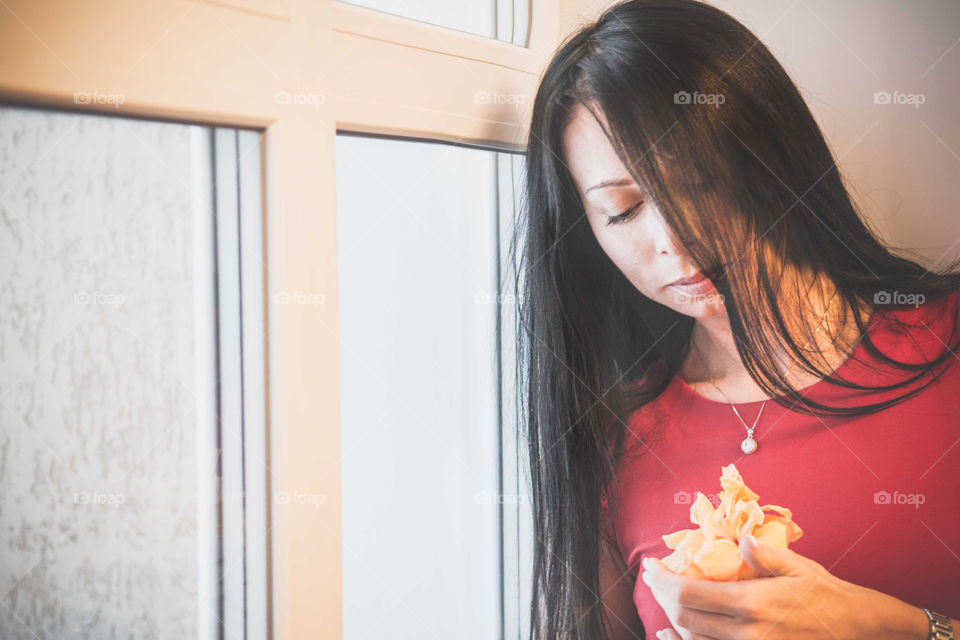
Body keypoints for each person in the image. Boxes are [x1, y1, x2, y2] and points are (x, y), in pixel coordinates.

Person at [512, 0, 960, 638]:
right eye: (623, 210)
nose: (674, 241)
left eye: (695, 182)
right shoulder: (617, 437)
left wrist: (900, 629)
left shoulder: (946, 343)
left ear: (774, 155)